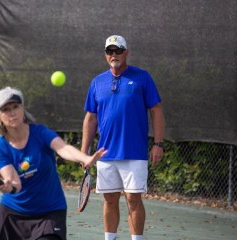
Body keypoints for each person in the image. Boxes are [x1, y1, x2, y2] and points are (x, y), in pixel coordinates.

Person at [0, 86, 107, 240]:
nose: (12, 113)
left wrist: (86, 158)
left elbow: (63, 148)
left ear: (22, 108)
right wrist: (9, 187)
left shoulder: (41, 133)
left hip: (49, 212)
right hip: (12, 212)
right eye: (6, 109)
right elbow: (15, 181)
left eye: (15, 106)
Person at [81, 35, 165, 240]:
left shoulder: (142, 77)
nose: (113, 55)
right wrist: (84, 152)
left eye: (118, 51)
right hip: (105, 154)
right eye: (109, 51)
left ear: (126, 52)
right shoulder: (97, 82)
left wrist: (158, 143)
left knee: (133, 200)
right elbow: (90, 118)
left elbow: (156, 111)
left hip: (134, 152)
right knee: (109, 200)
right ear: (105, 55)